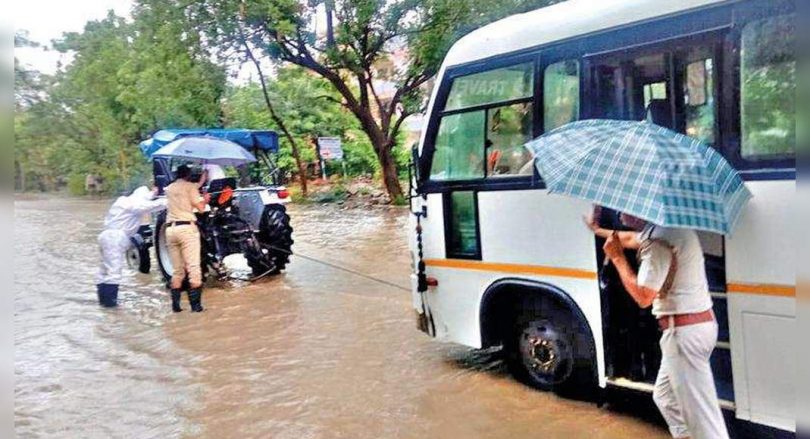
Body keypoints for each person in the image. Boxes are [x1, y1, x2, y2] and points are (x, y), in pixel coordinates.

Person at [585, 209, 729, 439]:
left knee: (706, 425)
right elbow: (630, 239)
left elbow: (643, 297)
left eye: (626, 206)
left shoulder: (658, 242)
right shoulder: (668, 228)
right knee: (665, 397)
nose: (619, 212)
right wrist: (597, 230)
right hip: (696, 327)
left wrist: (618, 259)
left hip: (683, 335)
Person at [97, 186, 166, 307]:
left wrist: (153, 193)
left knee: (104, 270)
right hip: (115, 237)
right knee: (114, 271)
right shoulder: (134, 204)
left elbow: (146, 199)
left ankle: (103, 302)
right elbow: (152, 206)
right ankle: (110, 305)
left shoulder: (123, 201)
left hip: (105, 235)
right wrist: (173, 199)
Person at [164, 165, 210, 312]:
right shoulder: (190, 187)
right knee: (194, 268)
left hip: (170, 230)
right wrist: (206, 199)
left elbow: (189, 190)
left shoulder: (169, 188)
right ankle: (196, 308)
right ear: (189, 175)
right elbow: (201, 208)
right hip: (187, 230)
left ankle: (176, 308)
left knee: (178, 271)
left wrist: (203, 177)